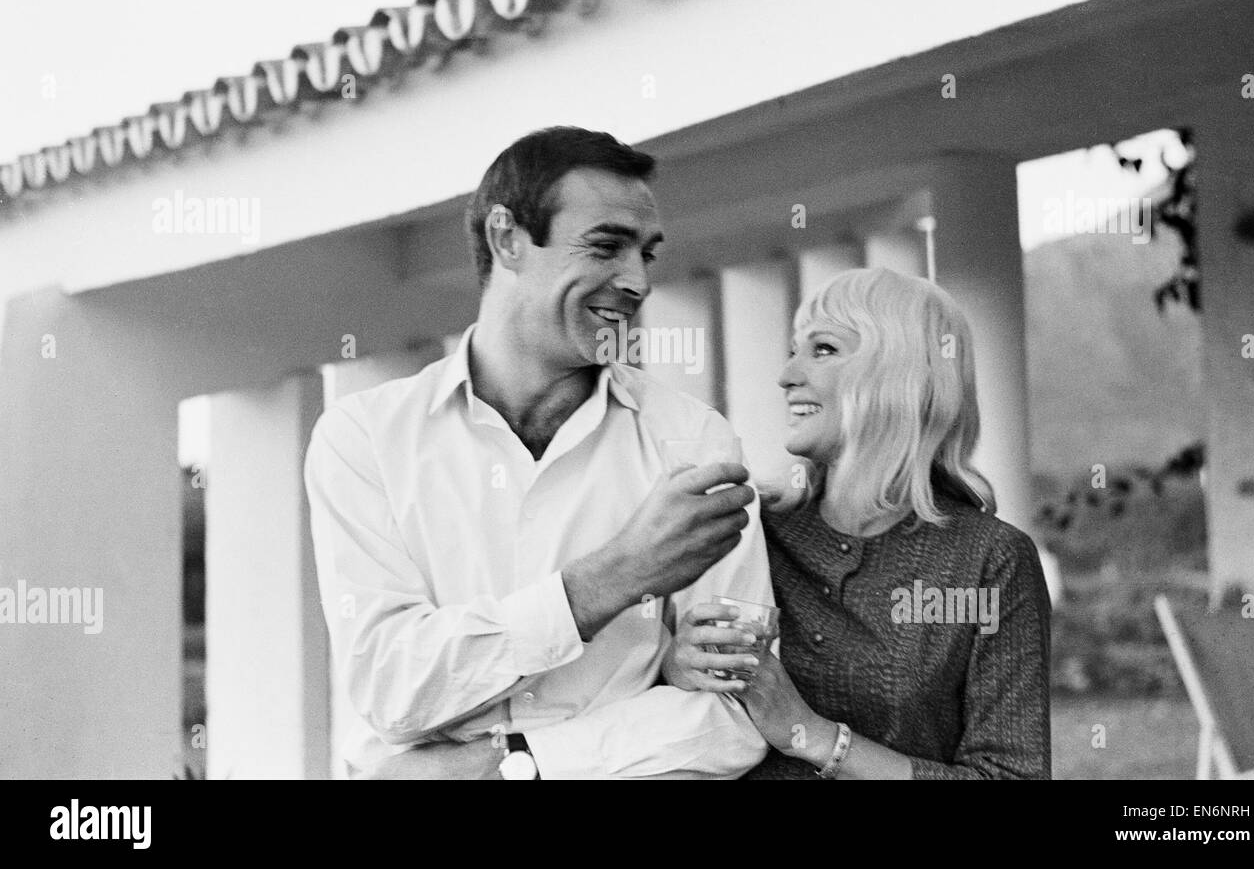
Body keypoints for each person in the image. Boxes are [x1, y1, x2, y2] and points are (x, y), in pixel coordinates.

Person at [304, 126, 772, 779]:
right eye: (607, 245)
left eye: (647, 253)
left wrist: (511, 763)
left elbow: (737, 712)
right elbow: (392, 688)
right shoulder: (363, 438)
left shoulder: (693, 441)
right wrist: (613, 576)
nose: (636, 281)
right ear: (508, 240)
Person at [666, 267, 1052, 779]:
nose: (786, 375)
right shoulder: (747, 529)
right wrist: (677, 666)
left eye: (822, 349)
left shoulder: (989, 560)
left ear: (899, 372)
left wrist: (811, 733)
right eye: (793, 349)